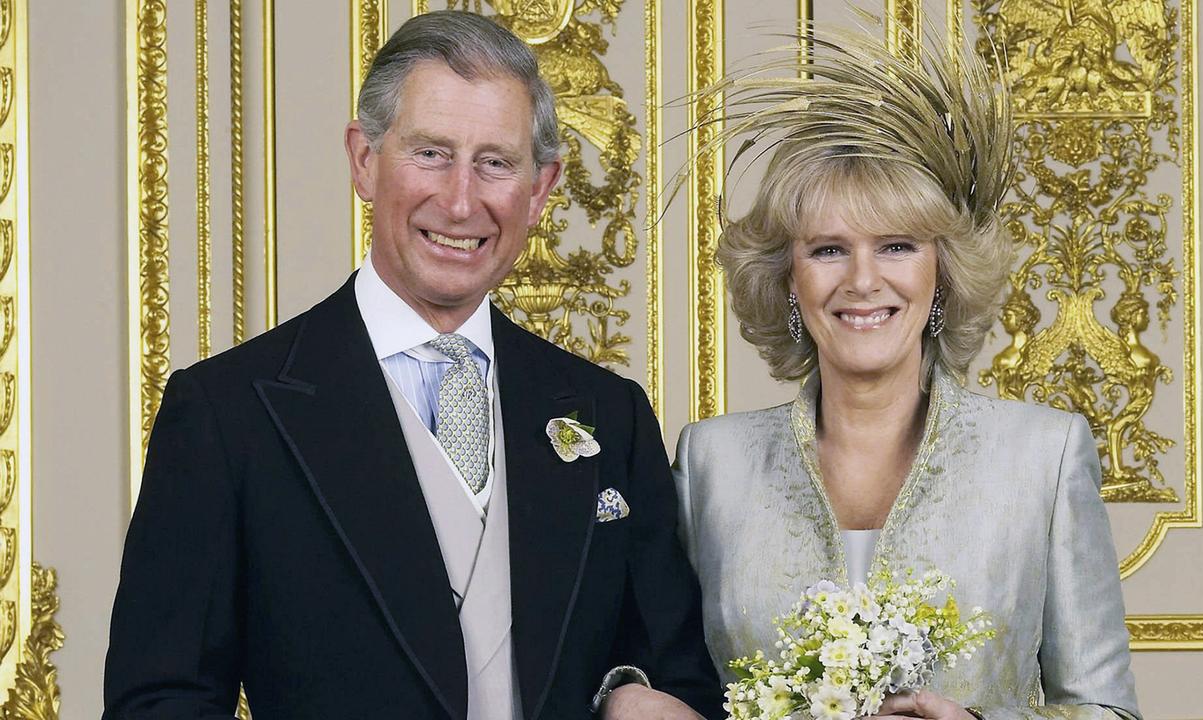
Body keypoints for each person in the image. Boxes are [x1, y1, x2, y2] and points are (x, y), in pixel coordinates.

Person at [104, 11, 720, 720]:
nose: (461, 200)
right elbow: (158, 702)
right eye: (430, 153)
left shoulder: (609, 415)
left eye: (495, 161)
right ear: (364, 160)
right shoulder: (227, 414)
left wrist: (632, 697)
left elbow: (682, 680)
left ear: (541, 187)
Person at [671, 21, 1141, 720]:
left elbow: (1110, 712)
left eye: (897, 245)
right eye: (828, 250)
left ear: (943, 274)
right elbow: (676, 693)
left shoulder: (1044, 454)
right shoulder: (712, 463)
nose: (863, 281)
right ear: (787, 280)